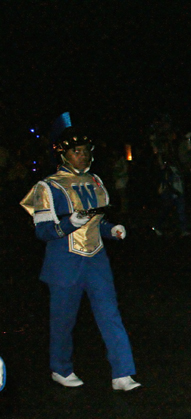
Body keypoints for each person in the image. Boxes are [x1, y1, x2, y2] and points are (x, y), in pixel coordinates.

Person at [19, 122, 140, 391]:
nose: (82, 155)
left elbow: (97, 221)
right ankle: (60, 368)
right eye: (76, 151)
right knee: (63, 320)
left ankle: (122, 372)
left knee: (110, 314)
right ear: (63, 154)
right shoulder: (48, 186)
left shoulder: (95, 181)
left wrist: (112, 230)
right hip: (64, 262)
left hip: (96, 259)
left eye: (85, 150)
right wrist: (69, 223)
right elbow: (43, 231)